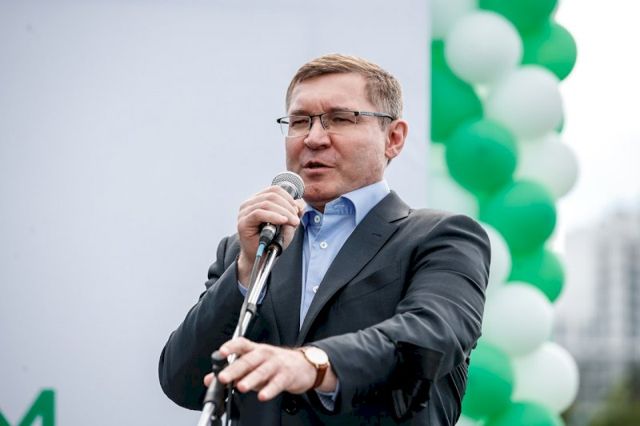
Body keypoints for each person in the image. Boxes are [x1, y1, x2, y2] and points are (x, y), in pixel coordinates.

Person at [159, 54, 490, 425]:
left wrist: (313, 364)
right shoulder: (249, 249)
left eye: (340, 118)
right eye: (300, 121)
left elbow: (430, 337)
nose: (313, 138)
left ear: (393, 138)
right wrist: (247, 269)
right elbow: (182, 381)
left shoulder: (441, 237)